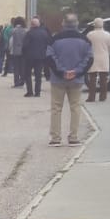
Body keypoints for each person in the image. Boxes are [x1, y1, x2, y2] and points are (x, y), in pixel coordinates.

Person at [46, 13, 92, 145]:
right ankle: (73, 137)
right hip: (76, 80)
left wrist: (62, 71)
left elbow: (49, 57)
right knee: (75, 107)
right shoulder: (85, 40)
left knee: (56, 108)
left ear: (63, 23)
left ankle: (55, 137)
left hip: (58, 79)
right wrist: (76, 72)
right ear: (77, 23)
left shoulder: (54, 39)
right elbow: (89, 59)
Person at [85, 18, 110, 102]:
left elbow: (86, 46)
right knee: (103, 79)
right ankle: (103, 96)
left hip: (93, 57)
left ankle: (91, 97)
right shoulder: (107, 34)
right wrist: (107, 52)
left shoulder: (90, 34)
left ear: (94, 24)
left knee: (92, 79)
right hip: (104, 57)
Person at [22, 16, 52, 98]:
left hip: (29, 57)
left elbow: (25, 45)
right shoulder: (44, 33)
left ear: (31, 25)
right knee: (38, 75)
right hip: (41, 56)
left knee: (27, 74)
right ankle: (37, 92)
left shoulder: (29, 33)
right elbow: (48, 43)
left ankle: (30, 91)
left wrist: (24, 54)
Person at [8, 17, 28, 87]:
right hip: (24, 51)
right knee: (23, 67)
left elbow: (11, 41)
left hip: (15, 51)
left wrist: (10, 49)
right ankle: (22, 81)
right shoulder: (26, 31)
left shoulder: (13, 31)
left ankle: (16, 82)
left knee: (16, 68)